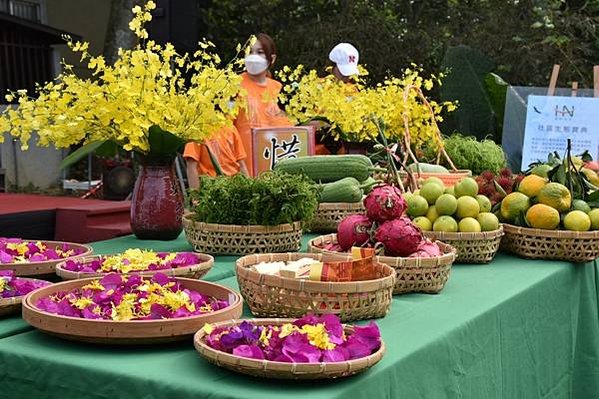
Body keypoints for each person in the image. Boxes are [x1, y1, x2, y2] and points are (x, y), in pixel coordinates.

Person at [234, 33, 292, 175]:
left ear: (271, 59)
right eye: (250, 52)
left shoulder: (279, 90)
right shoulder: (233, 86)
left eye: (260, 52)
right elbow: (227, 128)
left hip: (275, 165)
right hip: (243, 167)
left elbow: (289, 129)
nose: (254, 57)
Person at [314, 42, 361, 155]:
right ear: (332, 66)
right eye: (343, 70)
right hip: (319, 151)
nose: (346, 76)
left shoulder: (354, 90)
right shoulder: (317, 87)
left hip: (345, 151)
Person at [183, 125, 248, 189]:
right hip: (211, 186)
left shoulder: (230, 127)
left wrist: (249, 188)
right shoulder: (196, 131)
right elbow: (191, 165)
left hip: (234, 185)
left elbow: (242, 164)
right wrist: (195, 197)